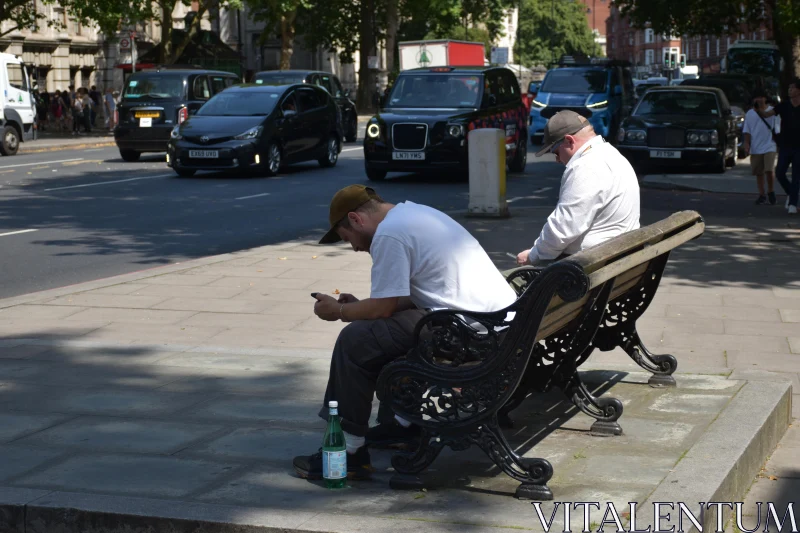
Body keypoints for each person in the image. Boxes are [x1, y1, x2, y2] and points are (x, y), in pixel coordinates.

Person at [292, 185, 517, 480]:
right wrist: (363, 308)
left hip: (470, 334)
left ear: (356, 219)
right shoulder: (414, 213)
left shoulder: (389, 234)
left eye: (348, 239)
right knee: (376, 332)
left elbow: (383, 309)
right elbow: (413, 295)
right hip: (496, 324)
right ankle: (402, 423)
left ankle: (348, 451)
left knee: (355, 341)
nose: (355, 248)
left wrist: (339, 312)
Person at [516, 110, 640, 266]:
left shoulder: (586, 166)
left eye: (556, 152)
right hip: (614, 259)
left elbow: (563, 227)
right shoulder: (612, 154)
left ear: (569, 141)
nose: (557, 160)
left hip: (589, 266)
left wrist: (533, 255)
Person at [758, 77, 800, 214]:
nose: (789, 90)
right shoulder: (784, 106)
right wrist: (758, 107)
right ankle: (792, 195)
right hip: (785, 146)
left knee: (796, 176)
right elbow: (767, 114)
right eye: (789, 88)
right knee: (780, 173)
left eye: (792, 88)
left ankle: (793, 204)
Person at [743, 92, 779, 205]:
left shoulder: (773, 111)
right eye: (756, 97)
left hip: (770, 144)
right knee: (759, 172)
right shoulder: (750, 113)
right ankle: (762, 194)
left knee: (769, 169)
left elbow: (778, 128)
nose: (758, 100)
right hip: (756, 146)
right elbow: (747, 130)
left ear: (765, 99)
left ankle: (771, 191)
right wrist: (747, 143)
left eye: (760, 97)